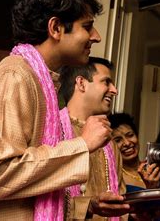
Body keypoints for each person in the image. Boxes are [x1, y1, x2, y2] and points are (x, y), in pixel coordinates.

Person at [0, 0, 111, 220]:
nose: (96, 37)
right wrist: (81, 145)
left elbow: (33, 194)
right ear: (55, 28)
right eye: (87, 26)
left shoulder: (42, 81)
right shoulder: (15, 75)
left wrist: (89, 207)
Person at [59, 57, 131, 220]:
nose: (114, 90)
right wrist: (88, 206)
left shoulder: (110, 142)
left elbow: (120, 200)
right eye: (106, 82)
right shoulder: (53, 130)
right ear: (81, 83)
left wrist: (135, 215)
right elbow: (42, 200)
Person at [110, 113, 160, 192]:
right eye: (118, 140)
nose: (127, 143)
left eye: (130, 135)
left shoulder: (156, 171)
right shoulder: (113, 178)